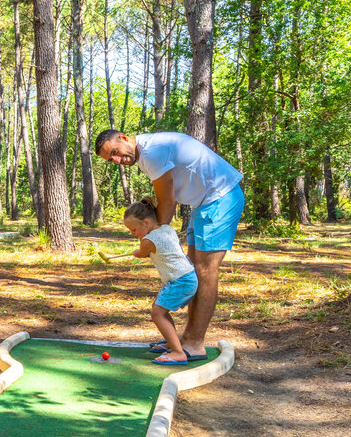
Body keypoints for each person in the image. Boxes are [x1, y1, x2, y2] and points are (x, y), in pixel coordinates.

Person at [95, 129, 244, 356]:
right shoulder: (146, 155)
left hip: (220, 197)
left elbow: (167, 200)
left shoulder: (153, 152)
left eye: (115, 152)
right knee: (192, 270)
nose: (117, 160)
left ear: (124, 138)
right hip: (204, 204)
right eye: (111, 159)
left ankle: (195, 343)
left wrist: (154, 239)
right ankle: (185, 338)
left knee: (205, 270)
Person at [123, 197, 198, 364]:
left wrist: (136, 252)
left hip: (179, 280)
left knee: (157, 313)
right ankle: (170, 342)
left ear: (147, 223)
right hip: (187, 277)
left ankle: (178, 352)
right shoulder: (167, 228)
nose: (132, 234)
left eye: (134, 230)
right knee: (159, 309)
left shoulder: (148, 241)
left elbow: (142, 253)